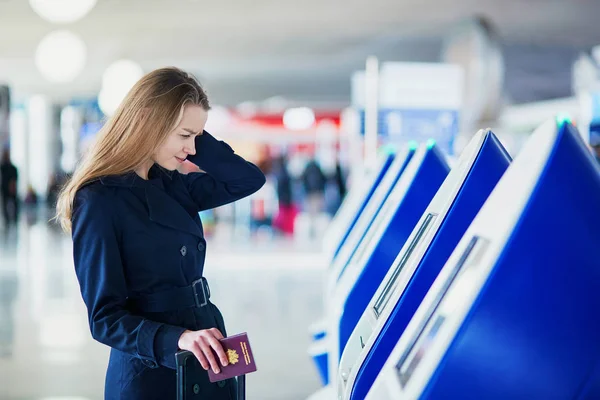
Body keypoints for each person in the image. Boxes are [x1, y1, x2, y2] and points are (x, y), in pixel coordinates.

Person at [55, 67, 266, 399]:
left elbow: (247, 180)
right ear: (148, 123)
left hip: (206, 342)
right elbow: (105, 318)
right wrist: (177, 338)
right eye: (185, 136)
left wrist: (192, 131)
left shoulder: (172, 183)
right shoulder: (99, 199)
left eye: (197, 137)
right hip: (151, 365)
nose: (192, 149)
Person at [0, 149, 18, 229]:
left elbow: (15, 178)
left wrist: (12, 185)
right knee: (5, 204)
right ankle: (7, 220)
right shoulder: (3, 167)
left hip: (12, 189)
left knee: (14, 203)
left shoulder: (13, 168)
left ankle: (14, 219)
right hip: (5, 189)